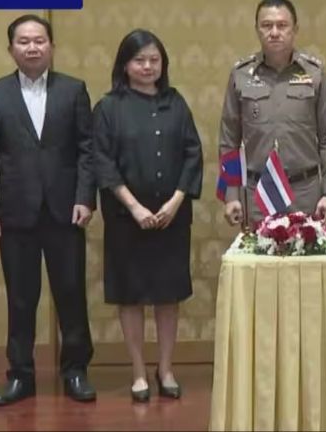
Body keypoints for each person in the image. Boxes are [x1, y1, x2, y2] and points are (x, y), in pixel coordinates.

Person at [0, 14, 96, 406]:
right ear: (11, 49)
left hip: (66, 210)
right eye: (23, 41)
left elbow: (87, 150)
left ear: (52, 47)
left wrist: (85, 197)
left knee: (71, 294)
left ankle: (75, 370)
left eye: (39, 40)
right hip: (15, 212)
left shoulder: (73, 90)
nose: (32, 47)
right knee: (21, 298)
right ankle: (21, 375)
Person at [92, 30, 203, 402]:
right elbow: (103, 162)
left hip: (172, 217)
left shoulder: (176, 103)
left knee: (168, 296)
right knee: (131, 296)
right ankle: (138, 372)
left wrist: (176, 201)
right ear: (125, 65)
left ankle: (166, 369)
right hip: (127, 219)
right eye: (139, 60)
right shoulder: (109, 107)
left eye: (154, 60)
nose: (148, 66)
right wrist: (135, 207)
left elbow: (193, 154)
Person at [219, 0, 326, 226]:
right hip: (258, 193)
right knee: (258, 251)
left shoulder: (314, 73)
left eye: (282, 25)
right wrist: (231, 194)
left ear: (295, 29)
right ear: (257, 29)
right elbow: (229, 141)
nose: (274, 32)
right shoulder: (241, 75)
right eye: (267, 25)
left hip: (305, 192)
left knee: (306, 250)